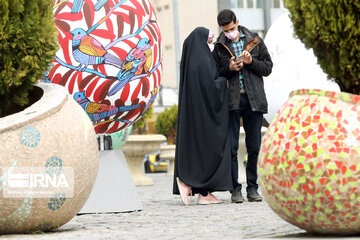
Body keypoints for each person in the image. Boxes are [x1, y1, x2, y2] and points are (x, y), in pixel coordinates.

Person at [212, 9, 273, 203]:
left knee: (253, 147)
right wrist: (228, 68)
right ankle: (235, 189)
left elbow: (268, 68)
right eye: (225, 30)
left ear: (236, 22)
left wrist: (251, 61)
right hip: (231, 102)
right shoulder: (219, 47)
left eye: (231, 28)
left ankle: (252, 188)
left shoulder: (255, 40)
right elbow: (214, 75)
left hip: (253, 101)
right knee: (230, 148)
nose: (228, 32)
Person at [173, 27, 232, 205]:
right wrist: (224, 81)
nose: (210, 45)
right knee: (211, 149)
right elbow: (211, 86)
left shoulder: (191, 61)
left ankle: (202, 192)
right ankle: (193, 185)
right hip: (206, 117)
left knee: (198, 150)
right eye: (208, 41)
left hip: (195, 116)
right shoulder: (203, 61)